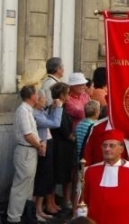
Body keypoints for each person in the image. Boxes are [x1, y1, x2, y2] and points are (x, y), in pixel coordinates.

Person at [84, 129, 129, 224]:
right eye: (104, 145)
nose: (107, 149)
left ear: (121, 149)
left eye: (112, 146)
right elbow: (84, 202)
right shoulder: (91, 171)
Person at [6, 86, 45, 223]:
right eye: (36, 94)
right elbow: (28, 135)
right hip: (25, 150)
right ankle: (13, 218)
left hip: (30, 150)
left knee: (28, 185)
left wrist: (39, 143)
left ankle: (26, 214)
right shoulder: (23, 111)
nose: (38, 96)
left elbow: (32, 133)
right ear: (32, 96)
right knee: (21, 185)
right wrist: (39, 145)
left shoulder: (28, 110)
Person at [32, 90, 63, 220]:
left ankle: (39, 208)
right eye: (44, 99)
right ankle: (36, 210)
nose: (46, 101)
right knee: (42, 177)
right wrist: (59, 109)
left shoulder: (41, 111)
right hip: (42, 146)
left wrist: (53, 108)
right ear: (37, 100)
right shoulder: (35, 114)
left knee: (46, 177)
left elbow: (49, 118)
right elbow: (55, 123)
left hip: (48, 144)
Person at [49, 82, 77, 210]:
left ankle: (52, 202)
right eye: (67, 94)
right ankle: (50, 203)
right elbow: (65, 130)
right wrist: (76, 138)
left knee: (58, 175)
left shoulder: (57, 107)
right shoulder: (58, 108)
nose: (69, 96)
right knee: (55, 176)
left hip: (60, 146)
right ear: (62, 95)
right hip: (60, 147)